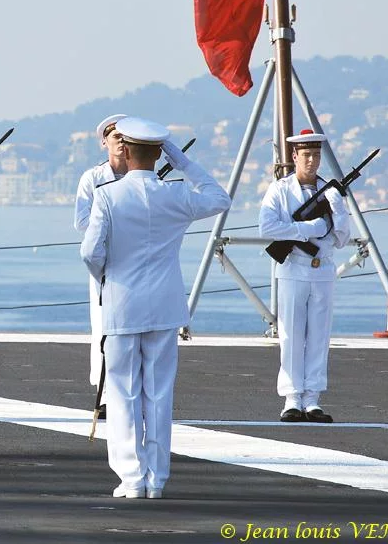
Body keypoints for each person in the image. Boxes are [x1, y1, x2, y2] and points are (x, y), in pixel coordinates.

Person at [81, 116, 230, 499]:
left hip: (121, 303)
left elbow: (90, 252)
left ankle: (131, 478)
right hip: (165, 305)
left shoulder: (107, 195)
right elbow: (219, 198)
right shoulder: (176, 195)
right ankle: (157, 479)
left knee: (123, 394)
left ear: (126, 151)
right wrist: (181, 161)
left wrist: (108, 277)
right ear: (157, 152)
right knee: (159, 394)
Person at [258, 129, 350, 424]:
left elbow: (342, 239)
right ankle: (291, 398)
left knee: (319, 336)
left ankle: (312, 398)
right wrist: (306, 229)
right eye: (306, 155)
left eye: (316, 155)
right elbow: (267, 228)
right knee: (291, 334)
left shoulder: (330, 192)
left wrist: (339, 211)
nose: (312, 161)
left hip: (322, 269)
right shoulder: (280, 190)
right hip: (294, 268)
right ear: (294, 156)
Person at [74, 113, 128, 418]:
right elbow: (82, 222)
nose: (120, 141)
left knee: (134, 331)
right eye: (114, 136)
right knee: (104, 331)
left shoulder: (143, 176)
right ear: (104, 141)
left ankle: (127, 391)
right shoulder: (93, 179)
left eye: (125, 135)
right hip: (105, 262)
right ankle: (105, 393)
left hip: (135, 262)